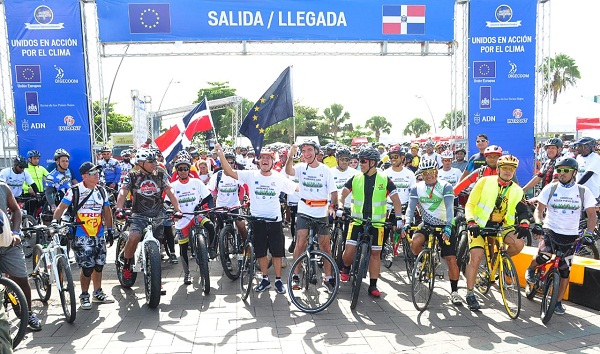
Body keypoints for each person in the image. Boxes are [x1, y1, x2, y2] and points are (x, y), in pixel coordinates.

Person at [215, 143, 297, 294]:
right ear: (258, 161)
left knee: (278, 252)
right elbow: (229, 172)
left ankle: (278, 280)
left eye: (268, 158)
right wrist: (220, 154)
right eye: (263, 158)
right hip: (257, 221)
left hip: (274, 221)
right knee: (260, 252)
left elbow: (297, 189)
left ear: (273, 162)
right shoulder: (251, 175)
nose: (265, 160)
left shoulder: (279, 178)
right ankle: (265, 279)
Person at [524, 157, 597, 315]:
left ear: (574, 172)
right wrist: (538, 223)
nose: (562, 173)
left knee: (565, 271)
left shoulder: (583, 192)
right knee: (543, 256)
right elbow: (539, 209)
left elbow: (592, 215)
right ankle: (531, 269)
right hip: (550, 230)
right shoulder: (551, 188)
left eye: (566, 170)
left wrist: (589, 233)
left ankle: (557, 302)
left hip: (571, 235)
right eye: (560, 170)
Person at [463, 154, 529, 311]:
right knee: (476, 258)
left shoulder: (517, 189)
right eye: (505, 168)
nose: (508, 171)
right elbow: (470, 204)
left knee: (519, 244)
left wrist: (525, 223)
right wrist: (471, 221)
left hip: (502, 225)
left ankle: (497, 261)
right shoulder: (484, 182)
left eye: (511, 169)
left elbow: (523, 210)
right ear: (498, 169)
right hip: (479, 225)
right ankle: (470, 293)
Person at [339, 148, 403, 297]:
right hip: (357, 220)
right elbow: (342, 194)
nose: (360, 164)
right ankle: (346, 268)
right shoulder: (356, 178)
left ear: (372, 163)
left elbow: (396, 201)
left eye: (363, 161)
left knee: (375, 253)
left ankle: (373, 285)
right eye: (360, 161)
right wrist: (341, 207)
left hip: (377, 223)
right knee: (349, 250)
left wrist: (399, 217)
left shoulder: (384, 179)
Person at [52, 162, 115, 309]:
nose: (97, 175)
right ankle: (84, 295)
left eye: (97, 173)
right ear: (84, 176)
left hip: (98, 233)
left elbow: (107, 211)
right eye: (93, 173)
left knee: (99, 265)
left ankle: (97, 292)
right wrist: (55, 222)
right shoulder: (74, 191)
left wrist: (110, 231)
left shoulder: (101, 191)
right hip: (81, 234)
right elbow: (61, 208)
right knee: (87, 267)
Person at [114, 149, 183, 282]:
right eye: (150, 161)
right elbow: (123, 192)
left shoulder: (161, 175)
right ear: (140, 163)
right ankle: (127, 265)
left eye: (155, 161)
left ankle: (156, 280)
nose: (154, 163)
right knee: (134, 237)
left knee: (157, 247)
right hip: (138, 215)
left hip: (157, 215)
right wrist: (119, 208)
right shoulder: (132, 176)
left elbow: (170, 192)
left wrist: (177, 209)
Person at [405, 158, 462, 305]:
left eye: (432, 172)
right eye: (425, 173)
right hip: (427, 223)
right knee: (415, 242)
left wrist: (449, 227)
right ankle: (421, 261)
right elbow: (411, 209)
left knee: (451, 260)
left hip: (444, 224)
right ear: (421, 174)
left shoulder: (445, 186)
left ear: (436, 172)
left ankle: (455, 291)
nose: (429, 175)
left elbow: (450, 209)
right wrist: (407, 222)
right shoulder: (416, 188)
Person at [286, 140, 338, 292]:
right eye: (303, 151)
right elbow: (289, 171)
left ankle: (328, 278)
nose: (306, 153)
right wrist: (290, 156)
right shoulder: (301, 167)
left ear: (316, 152)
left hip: (321, 212)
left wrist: (332, 206)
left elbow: (334, 193)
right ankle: (295, 275)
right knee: (300, 242)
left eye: (309, 150)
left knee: (325, 246)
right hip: (304, 210)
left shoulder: (325, 170)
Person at [0, 180, 42, 330]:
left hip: (9, 244)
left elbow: (16, 210)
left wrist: (16, 232)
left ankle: (28, 313)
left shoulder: (3, 188)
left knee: (22, 280)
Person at [168, 155, 216, 284]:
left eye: (185, 169)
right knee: (183, 248)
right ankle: (187, 274)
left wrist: (206, 207)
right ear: (177, 171)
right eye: (180, 169)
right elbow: (167, 202)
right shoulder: (173, 185)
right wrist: (172, 212)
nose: (183, 171)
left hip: (196, 215)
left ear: (189, 170)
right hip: (182, 219)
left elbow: (208, 197)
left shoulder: (197, 182)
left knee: (211, 226)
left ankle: (211, 248)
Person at [573, 136, 600, 202]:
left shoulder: (595, 158)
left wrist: (575, 187)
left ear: (587, 147)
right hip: (579, 193)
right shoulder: (579, 157)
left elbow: (588, 174)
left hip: (592, 194)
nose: (577, 148)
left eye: (580, 146)